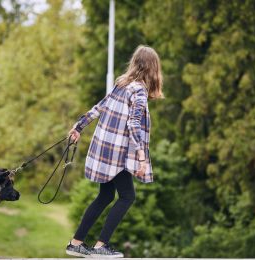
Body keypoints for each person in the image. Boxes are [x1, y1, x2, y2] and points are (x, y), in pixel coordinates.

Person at [65, 45, 164, 258]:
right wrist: (141, 157)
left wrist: (78, 126)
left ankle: (76, 243)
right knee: (127, 196)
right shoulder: (138, 89)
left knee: (106, 195)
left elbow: (100, 107)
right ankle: (100, 247)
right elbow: (134, 124)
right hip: (119, 153)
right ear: (152, 68)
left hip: (105, 149)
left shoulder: (122, 84)